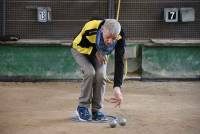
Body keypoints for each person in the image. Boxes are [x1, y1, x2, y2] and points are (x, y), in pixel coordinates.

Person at [71, 18, 126, 121]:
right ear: (102, 30)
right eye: (108, 37)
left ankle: (97, 110)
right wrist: (95, 52)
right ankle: (82, 107)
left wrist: (117, 87)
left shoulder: (120, 35)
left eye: (113, 38)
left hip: (99, 53)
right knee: (90, 72)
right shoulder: (90, 28)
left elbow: (119, 61)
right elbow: (76, 45)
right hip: (80, 50)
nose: (110, 41)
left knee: (101, 74)